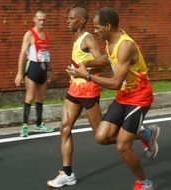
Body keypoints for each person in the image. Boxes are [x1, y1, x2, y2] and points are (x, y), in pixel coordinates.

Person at [66, 7, 160, 190]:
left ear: (107, 26)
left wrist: (87, 76)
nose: (94, 31)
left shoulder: (125, 45)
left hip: (139, 98)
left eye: (97, 27)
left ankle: (144, 182)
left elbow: (116, 82)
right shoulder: (110, 40)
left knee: (123, 146)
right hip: (124, 96)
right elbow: (105, 60)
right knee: (101, 137)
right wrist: (84, 64)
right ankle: (146, 134)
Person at [47, 7, 103, 188]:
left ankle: (144, 134)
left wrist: (83, 68)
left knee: (102, 136)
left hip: (88, 91)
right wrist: (75, 72)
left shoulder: (88, 38)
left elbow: (102, 61)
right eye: (68, 18)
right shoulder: (77, 38)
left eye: (72, 18)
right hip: (74, 90)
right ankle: (68, 173)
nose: (68, 21)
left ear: (82, 21)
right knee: (64, 128)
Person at [14, 10, 54, 137]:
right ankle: (25, 126)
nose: (42, 22)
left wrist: (49, 71)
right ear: (34, 19)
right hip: (32, 68)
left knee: (41, 97)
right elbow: (22, 54)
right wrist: (19, 73)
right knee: (30, 96)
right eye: (40, 19)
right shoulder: (29, 35)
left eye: (44, 20)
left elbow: (47, 54)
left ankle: (39, 124)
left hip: (43, 68)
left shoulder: (46, 35)